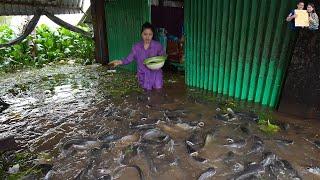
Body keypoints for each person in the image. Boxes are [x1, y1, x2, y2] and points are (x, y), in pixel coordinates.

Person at [108, 22, 166, 91]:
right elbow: (128, 59)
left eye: (150, 34)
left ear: (153, 35)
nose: (147, 37)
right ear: (141, 34)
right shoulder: (136, 47)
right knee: (146, 93)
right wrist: (118, 62)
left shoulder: (157, 45)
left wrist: (161, 59)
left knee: (158, 92)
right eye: (145, 34)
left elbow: (163, 56)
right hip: (143, 75)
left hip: (156, 74)